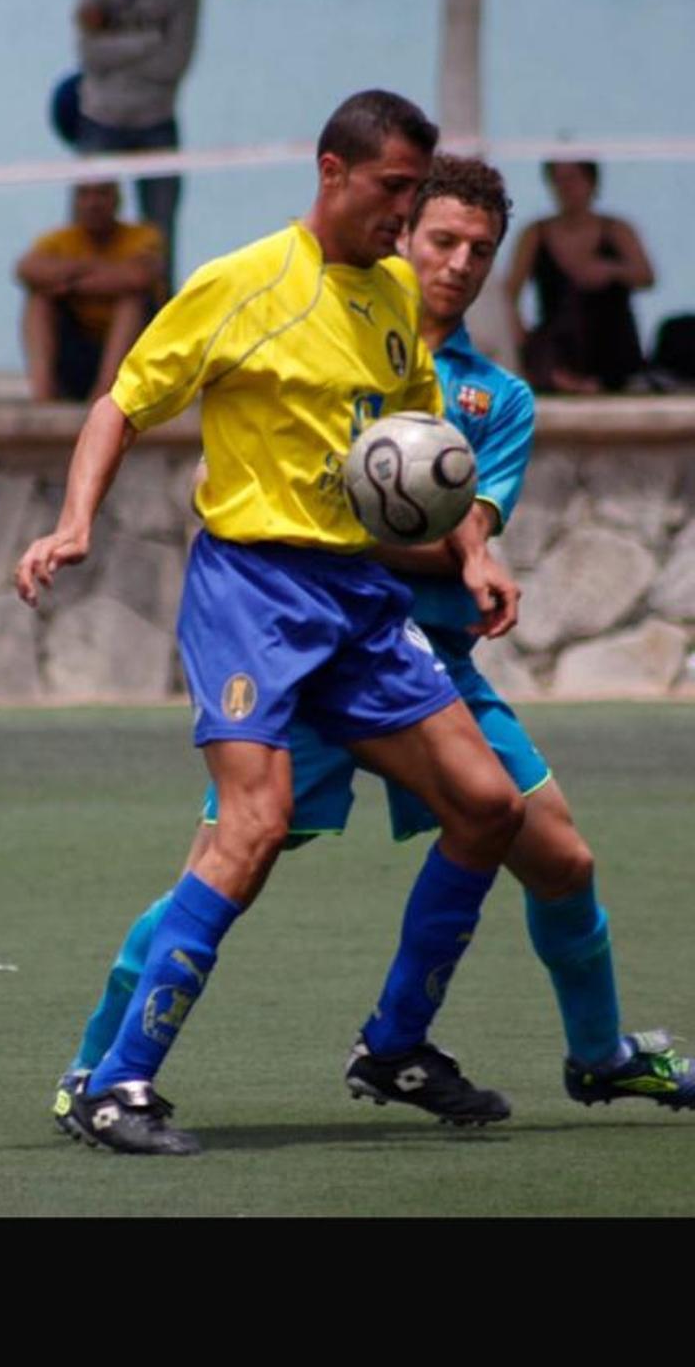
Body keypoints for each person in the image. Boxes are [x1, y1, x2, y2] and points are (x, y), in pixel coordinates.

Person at [54, 155, 695, 1142]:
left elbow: (466, 525)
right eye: (442, 239)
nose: (460, 264)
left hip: (423, 659)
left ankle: (577, 1055)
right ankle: (95, 1067)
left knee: (559, 855)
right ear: (399, 229)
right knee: (232, 853)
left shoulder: (494, 399)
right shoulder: (311, 314)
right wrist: (414, 537)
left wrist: (468, 549)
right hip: (303, 643)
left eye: (480, 250)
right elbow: (327, 508)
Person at [16, 88, 525, 1158]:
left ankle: (394, 1044)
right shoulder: (242, 284)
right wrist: (73, 524)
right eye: (394, 189)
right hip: (253, 593)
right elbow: (120, 402)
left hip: (359, 598)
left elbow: (423, 451)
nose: (406, 214)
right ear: (332, 172)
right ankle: (116, 1085)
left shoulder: (391, 294)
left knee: (486, 805)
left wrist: (474, 552)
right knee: (251, 828)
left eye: (415, 191)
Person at [74, 0, 201, 303]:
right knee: (84, 230)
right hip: (99, 118)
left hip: (156, 120)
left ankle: (161, 320)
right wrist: (149, 41)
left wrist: (115, 44)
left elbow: (174, 61)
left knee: (160, 235)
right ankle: (82, 319)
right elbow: (89, 54)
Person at [505, 158, 655, 392]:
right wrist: (522, 338)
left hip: (613, 350)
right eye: (558, 180)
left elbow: (646, 276)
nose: (566, 188)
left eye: (573, 179)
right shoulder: (535, 234)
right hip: (560, 351)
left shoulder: (616, 229)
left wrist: (611, 271)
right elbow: (509, 292)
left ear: (591, 182)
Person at [15, 181, 165, 401]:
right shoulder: (59, 239)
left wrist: (70, 282)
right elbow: (26, 269)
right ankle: (42, 396)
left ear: (117, 200)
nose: (92, 204)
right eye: (84, 195)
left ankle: (104, 396)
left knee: (131, 302)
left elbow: (138, 277)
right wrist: (96, 271)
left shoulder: (142, 236)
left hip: (128, 359)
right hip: (76, 354)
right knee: (39, 301)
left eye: (101, 194)